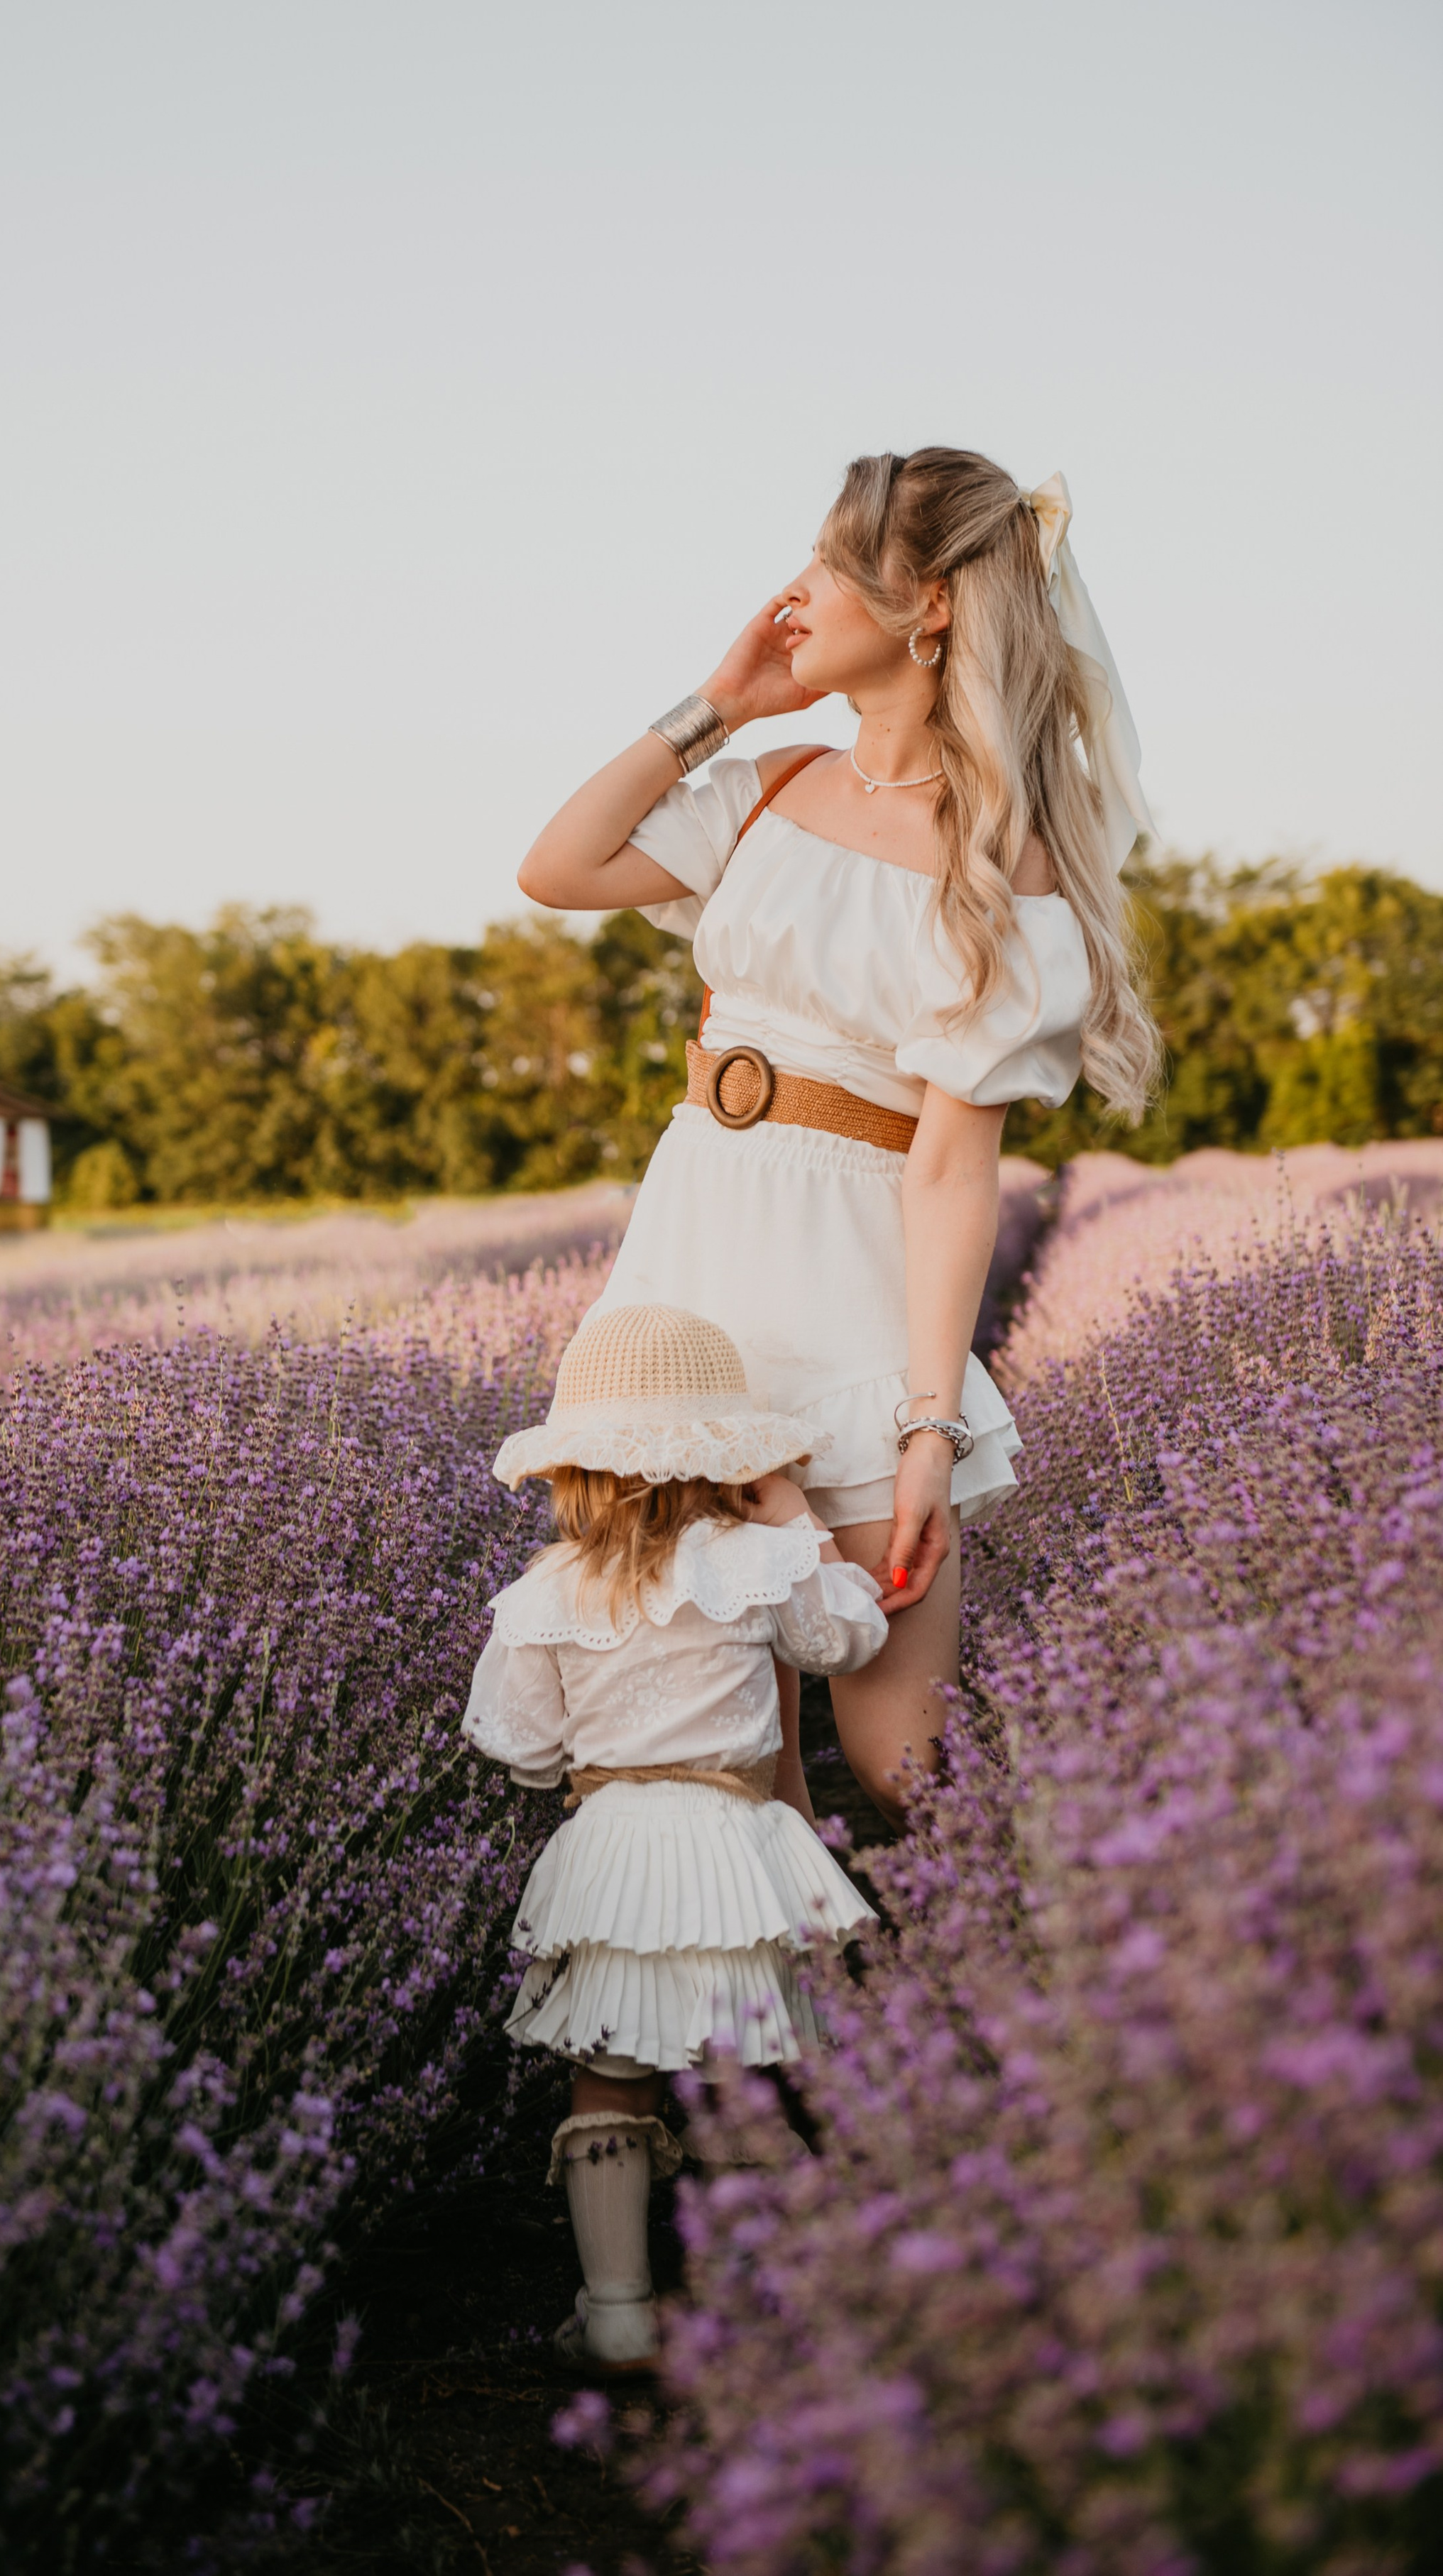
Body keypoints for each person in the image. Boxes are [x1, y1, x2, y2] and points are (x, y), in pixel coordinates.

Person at [519, 450, 1159, 1822]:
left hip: (855, 1287)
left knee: (903, 1768)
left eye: (826, 567)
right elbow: (556, 868)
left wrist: (929, 1425)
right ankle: (778, 2037)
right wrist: (720, 703)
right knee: (712, 1757)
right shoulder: (769, 781)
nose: (792, 594)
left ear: (928, 603)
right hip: (691, 1280)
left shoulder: (1001, 855)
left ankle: (1044, 1994)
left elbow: (949, 1162)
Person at [463, 1299, 887, 2371]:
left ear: (577, 1469)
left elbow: (519, 1746)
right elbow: (846, 1635)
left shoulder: (542, 1592)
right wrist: (801, 1523)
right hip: (736, 1843)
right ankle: (754, 2306)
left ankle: (616, 2310)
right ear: (723, 1460)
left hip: (609, 1846)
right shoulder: (756, 1560)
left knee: (610, 2072)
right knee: (740, 2073)